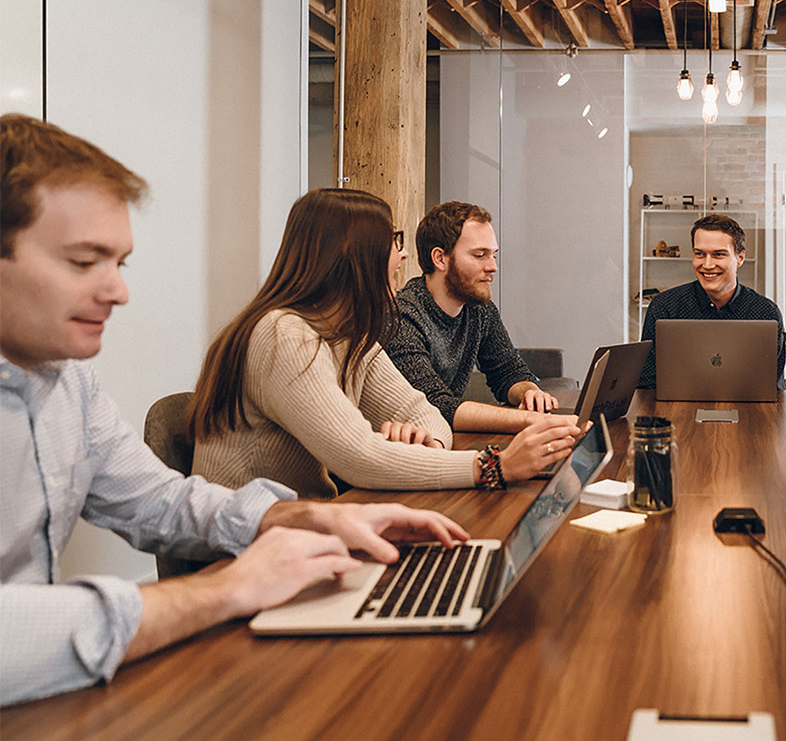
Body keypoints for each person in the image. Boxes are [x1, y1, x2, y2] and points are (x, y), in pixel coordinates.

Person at [0, 114, 469, 707]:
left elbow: (159, 500)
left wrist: (300, 521)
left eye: (119, 264)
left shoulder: (69, 382)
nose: (118, 292)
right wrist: (228, 587)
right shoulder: (283, 333)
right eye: (82, 262)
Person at [191, 190, 580, 499]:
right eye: (393, 240)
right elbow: (359, 458)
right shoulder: (283, 336)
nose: (404, 253)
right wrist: (496, 466)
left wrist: (424, 443)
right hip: (246, 549)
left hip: (309, 526)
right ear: (351, 255)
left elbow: (423, 412)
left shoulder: (351, 335)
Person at [385, 201, 561, 430]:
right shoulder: (402, 317)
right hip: (409, 453)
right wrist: (533, 420)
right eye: (480, 255)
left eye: (493, 255)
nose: (492, 267)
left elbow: (507, 370)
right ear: (440, 258)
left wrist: (528, 391)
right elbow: (434, 405)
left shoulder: (478, 309)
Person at [638, 213, 785, 388]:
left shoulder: (765, 313)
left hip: (746, 413)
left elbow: (773, 388)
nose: (707, 265)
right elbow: (646, 385)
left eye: (718, 255)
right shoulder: (664, 307)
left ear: (740, 258)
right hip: (676, 412)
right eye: (700, 254)